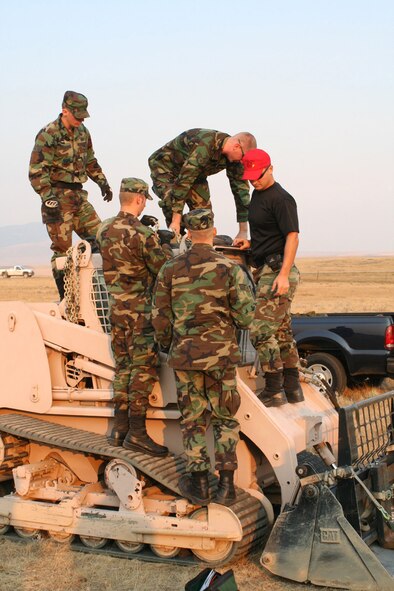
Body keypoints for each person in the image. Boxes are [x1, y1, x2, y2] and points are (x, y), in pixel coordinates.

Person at [152, 209, 255, 506]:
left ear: (186, 233)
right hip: (221, 357)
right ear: (212, 232)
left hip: (186, 357)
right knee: (225, 418)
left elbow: (159, 317)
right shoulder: (229, 268)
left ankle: (200, 484)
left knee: (193, 419)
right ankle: (226, 485)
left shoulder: (170, 269)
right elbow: (246, 317)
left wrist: (171, 343)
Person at [97, 178, 170, 456]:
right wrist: (162, 242)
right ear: (139, 200)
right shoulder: (143, 234)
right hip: (140, 312)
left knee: (124, 367)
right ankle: (138, 433)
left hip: (117, 310)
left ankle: (120, 429)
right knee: (142, 369)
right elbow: (162, 268)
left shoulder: (104, 228)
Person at [233, 149, 304, 407]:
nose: (255, 181)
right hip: (263, 268)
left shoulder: (282, 199)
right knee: (281, 331)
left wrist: (284, 274)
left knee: (260, 330)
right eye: (250, 178)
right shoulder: (257, 195)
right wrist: (250, 243)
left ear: (271, 168)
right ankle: (292, 387)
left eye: (258, 176)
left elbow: (292, 236)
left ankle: (274, 388)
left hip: (277, 272)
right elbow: (269, 234)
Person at [29, 90, 113, 299]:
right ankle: (66, 300)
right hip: (57, 197)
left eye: (83, 116)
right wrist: (47, 197)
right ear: (64, 110)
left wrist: (103, 182)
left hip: (79, 198)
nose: (80, 120)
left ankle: (98, 297)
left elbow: (91, 162)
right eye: (77, 116)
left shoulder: (83, 132)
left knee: (102, 239)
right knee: (63, 251)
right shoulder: (48, 133)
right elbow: (36, 170)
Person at [148, 129, 257, 239]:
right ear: (236, 146)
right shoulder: (205, 145)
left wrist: (243, 231)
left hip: (195, 174)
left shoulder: (235, 159)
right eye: (243, 157)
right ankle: (177, 237)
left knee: (204, 215)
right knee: (172, 202)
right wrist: (176, 220)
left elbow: (241, 191)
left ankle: (201, 244)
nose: (242, 161)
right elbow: (184, 181)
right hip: (165, 168)